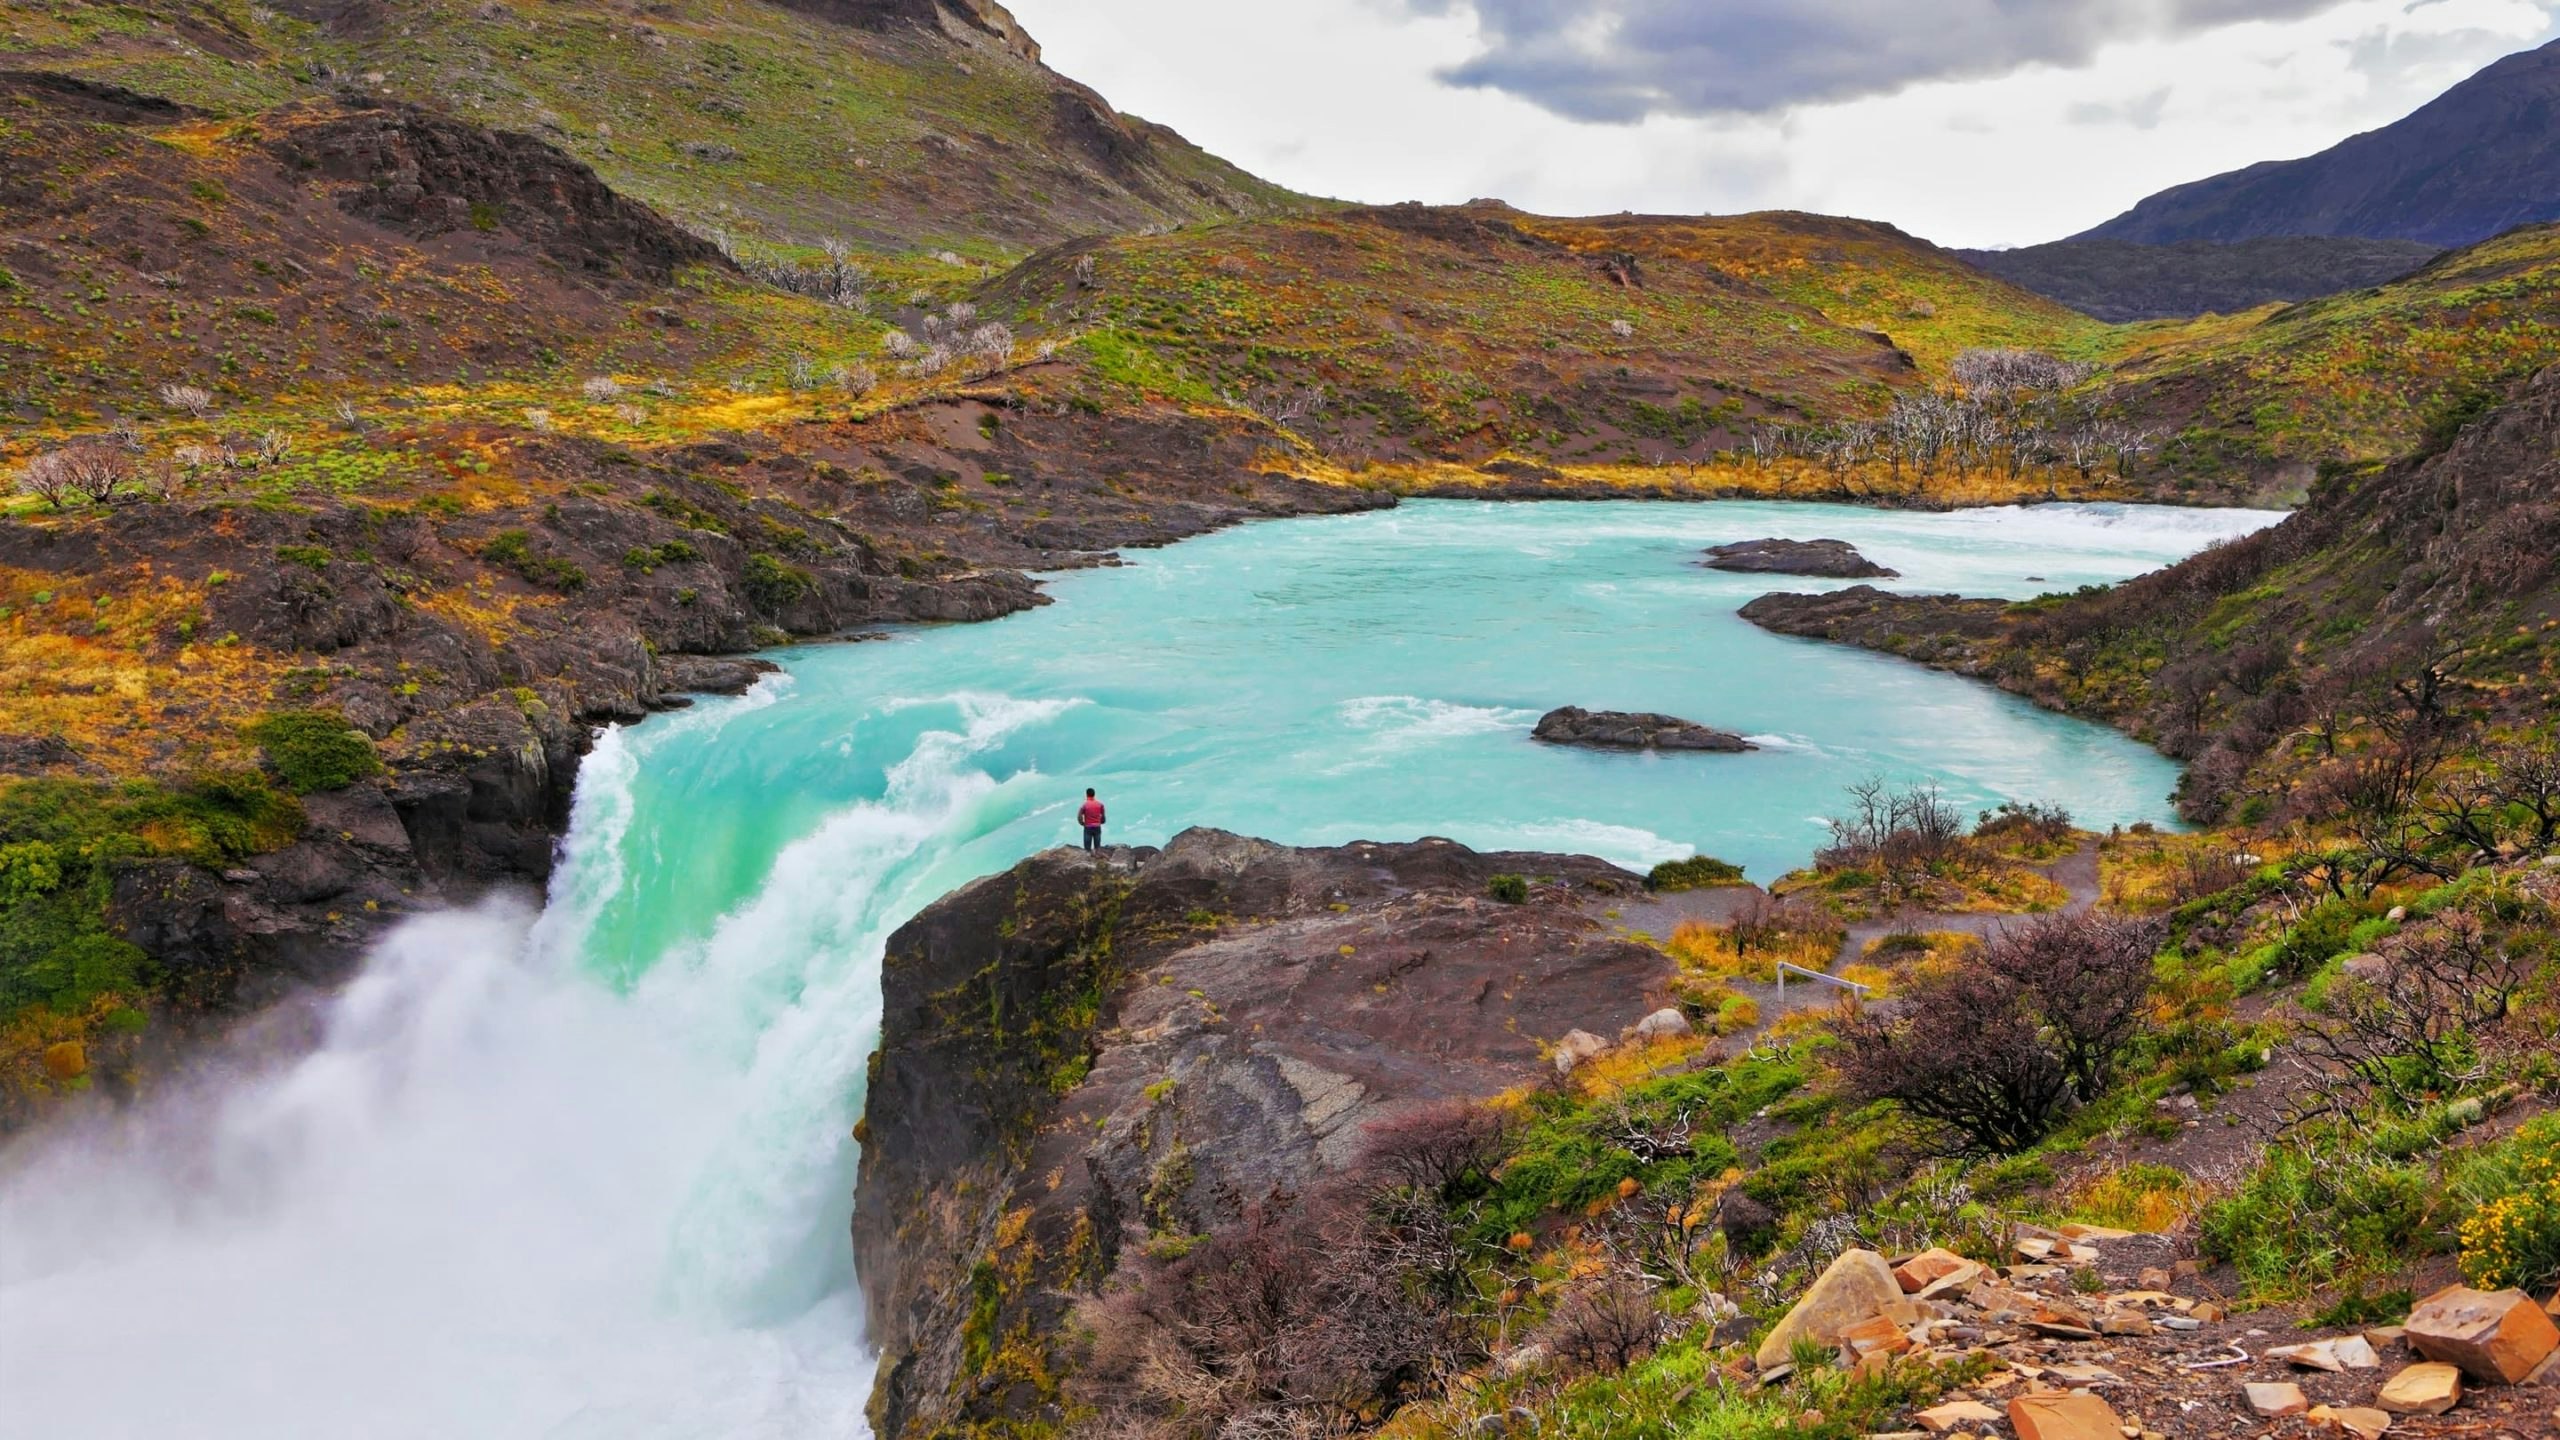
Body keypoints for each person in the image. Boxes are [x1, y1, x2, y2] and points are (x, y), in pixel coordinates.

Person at [1078, 788, 1106, 852]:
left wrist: (1082, 823)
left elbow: (1079, 816)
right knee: (1097, 848)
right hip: (1097, 827)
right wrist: (1101, 821)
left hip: (1088, 827)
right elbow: (1103, 816)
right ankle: (1097, 856)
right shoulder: (1100, 804)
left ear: (1087, 795)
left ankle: (1088, 856)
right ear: (1094, 794)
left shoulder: (1084, 805)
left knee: (1087, 849)